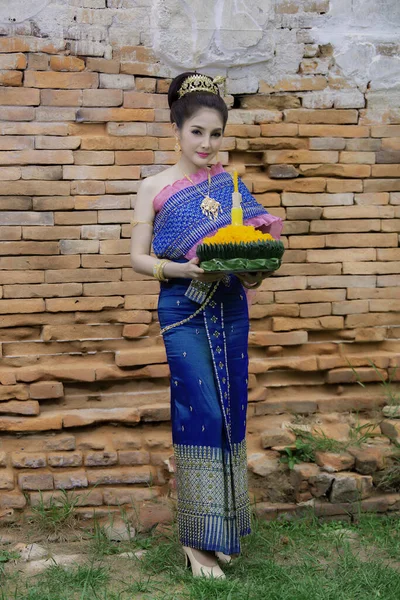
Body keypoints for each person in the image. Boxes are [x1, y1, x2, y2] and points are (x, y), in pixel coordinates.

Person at [130, 72, 283, 579]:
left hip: (231, 305)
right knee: (203, 412)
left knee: (233, 408)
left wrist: (254, 267)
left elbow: (253, 255)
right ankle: (197, 543)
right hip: (183, 305)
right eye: (197, 132)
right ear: (177, 130)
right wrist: (178, 268)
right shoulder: (153, 187)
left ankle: (227, 528)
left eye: (216, 134)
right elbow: (136, 258)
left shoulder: (234, 186)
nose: (207, 144)